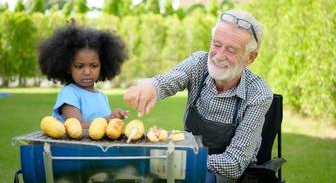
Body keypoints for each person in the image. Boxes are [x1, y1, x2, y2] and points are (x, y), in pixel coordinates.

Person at [124, 10, 273, 182]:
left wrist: (184, 160)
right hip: (187, 162)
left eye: (231, 50)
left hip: (226, 175)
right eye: (216, 44)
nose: (219, 55)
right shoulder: (199, 64)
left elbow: (234, 164)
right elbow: (169, 80)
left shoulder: (259, 94)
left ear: (250, 58)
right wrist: (151, 87)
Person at [37, 23, 129, 129]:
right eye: (79, 66)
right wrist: (108, 119)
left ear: (103, 65)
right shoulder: (69, 94)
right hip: (70, 146)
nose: (87, 72)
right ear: (67, 67)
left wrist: (114, 120)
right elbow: (77, 128)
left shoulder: (102, 96)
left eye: (94, 66)